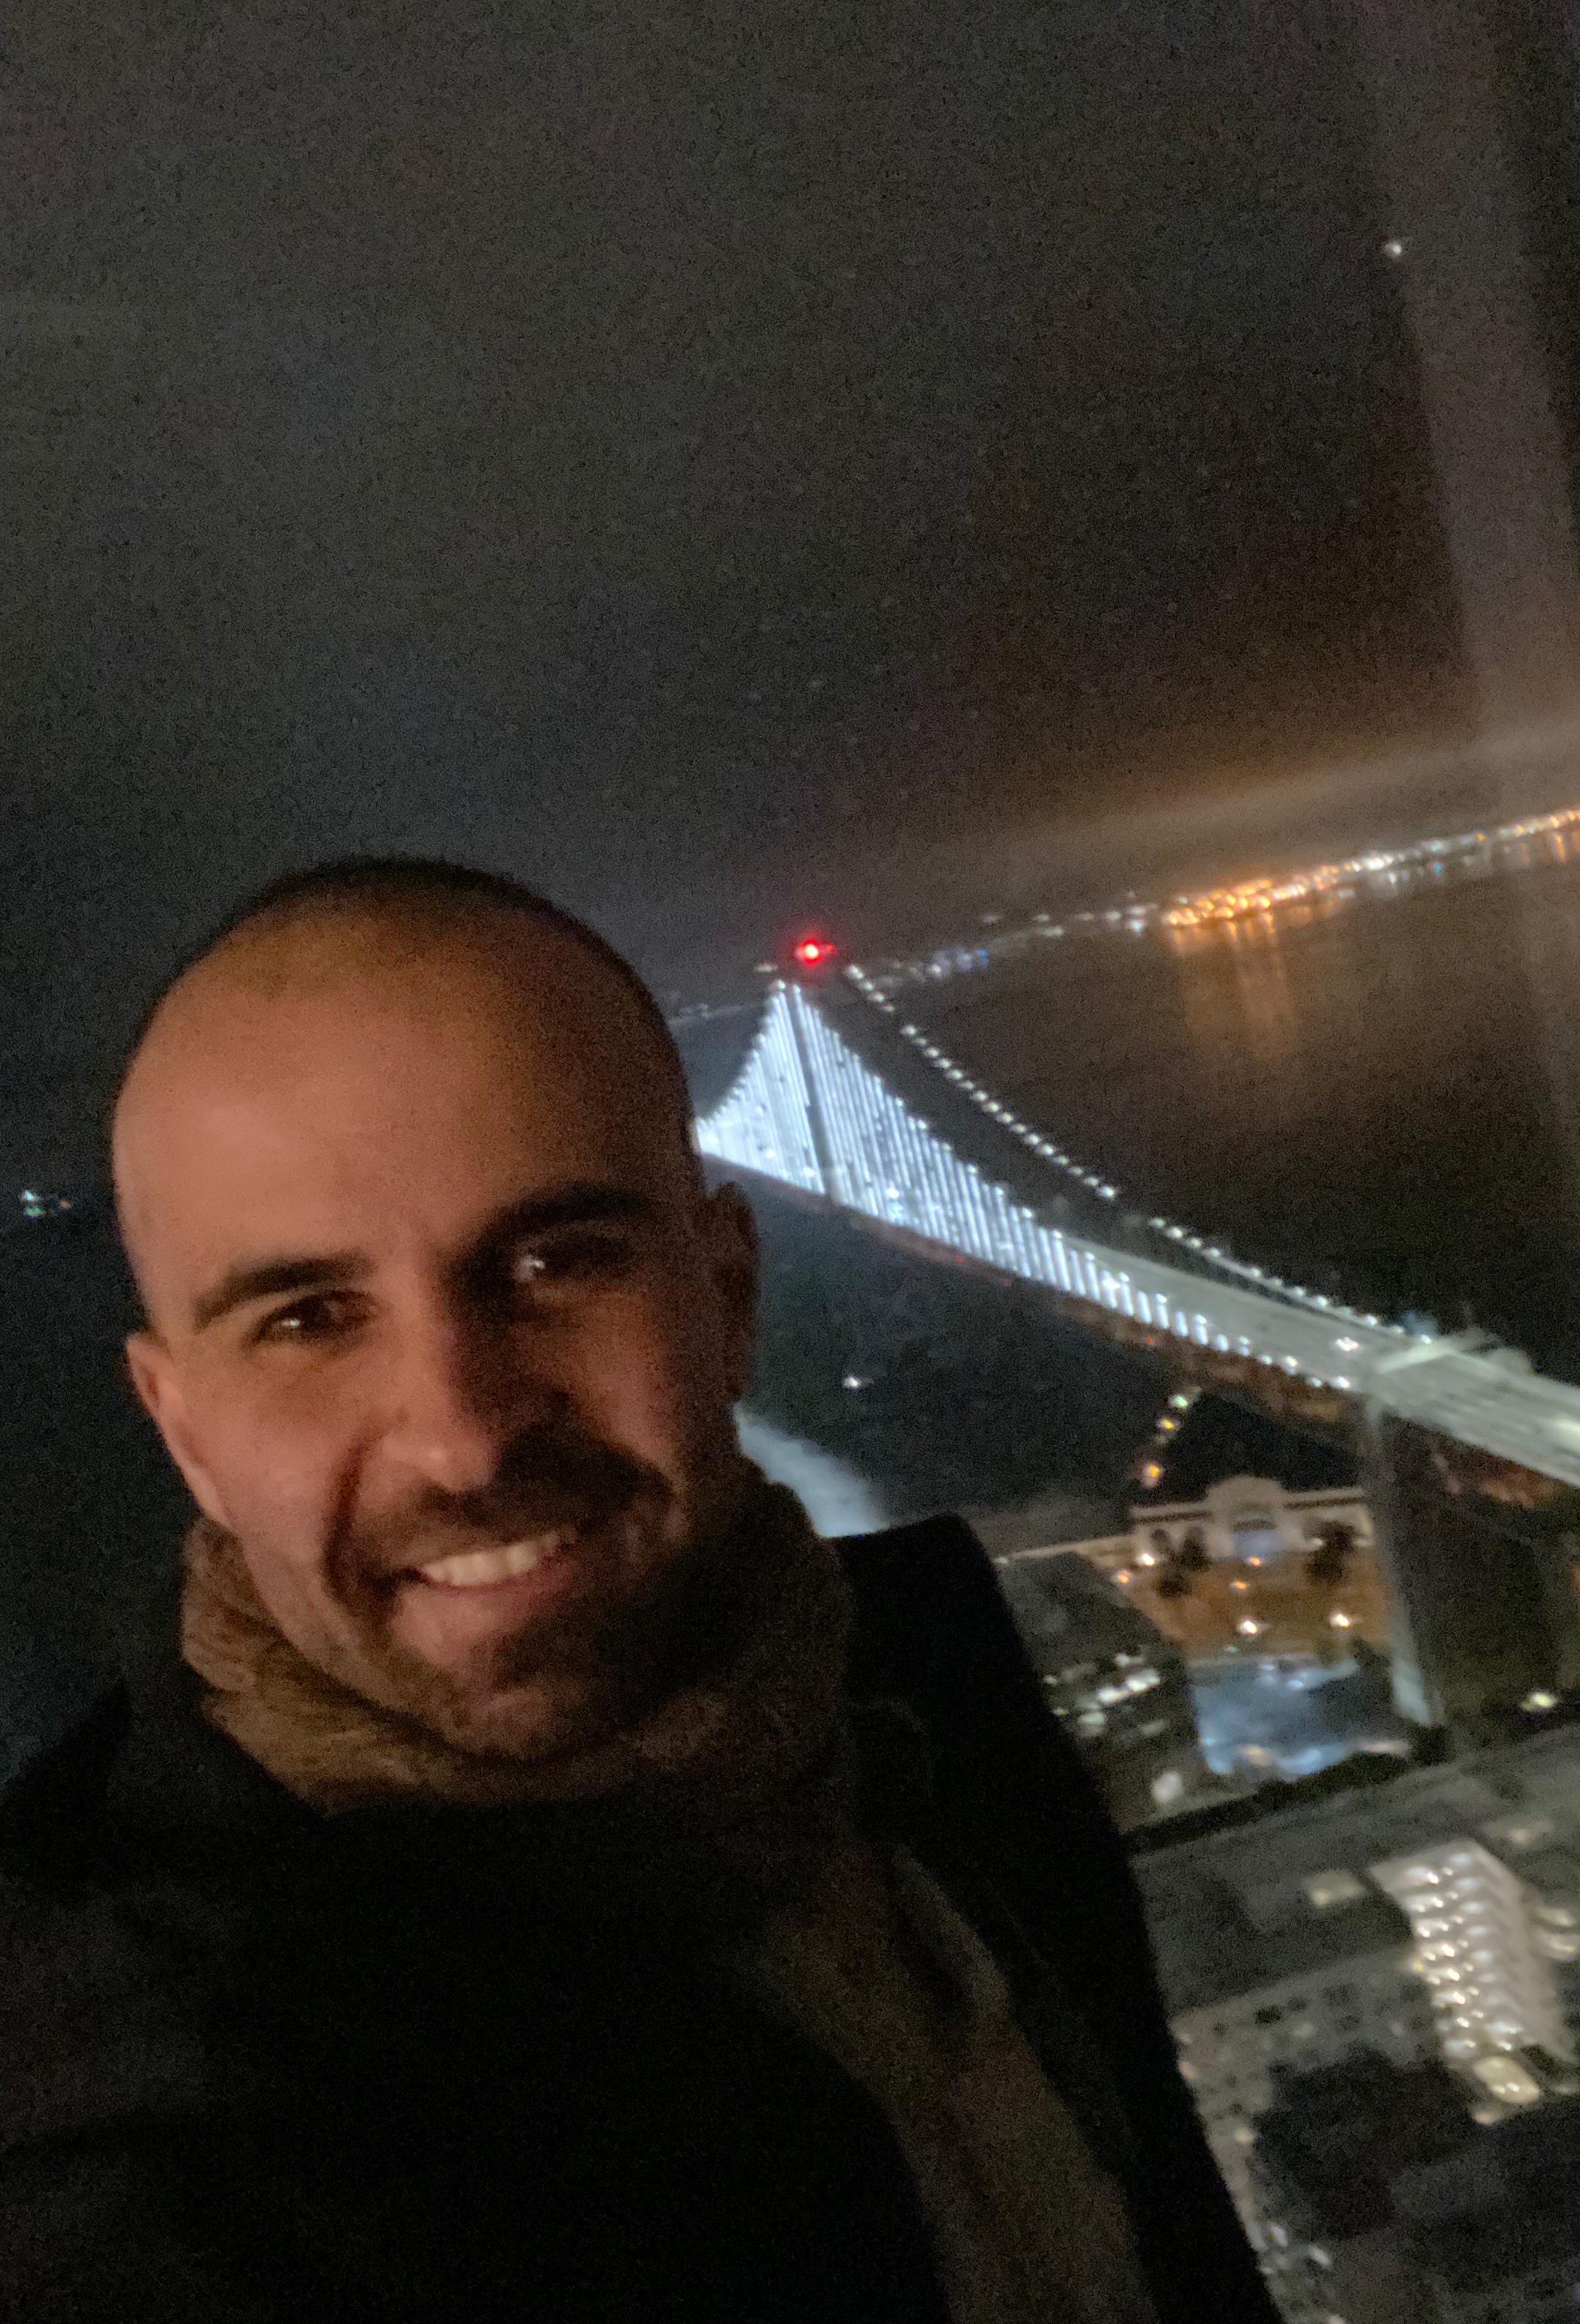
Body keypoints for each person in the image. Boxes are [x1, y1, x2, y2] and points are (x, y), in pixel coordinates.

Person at [0, 859, 1274, 2324]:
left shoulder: (923, 1714)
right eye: (307, 1317)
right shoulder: (165, 2146)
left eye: (554, 1258)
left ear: (728, 1296)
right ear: (186, 1433)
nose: (463, 1429)